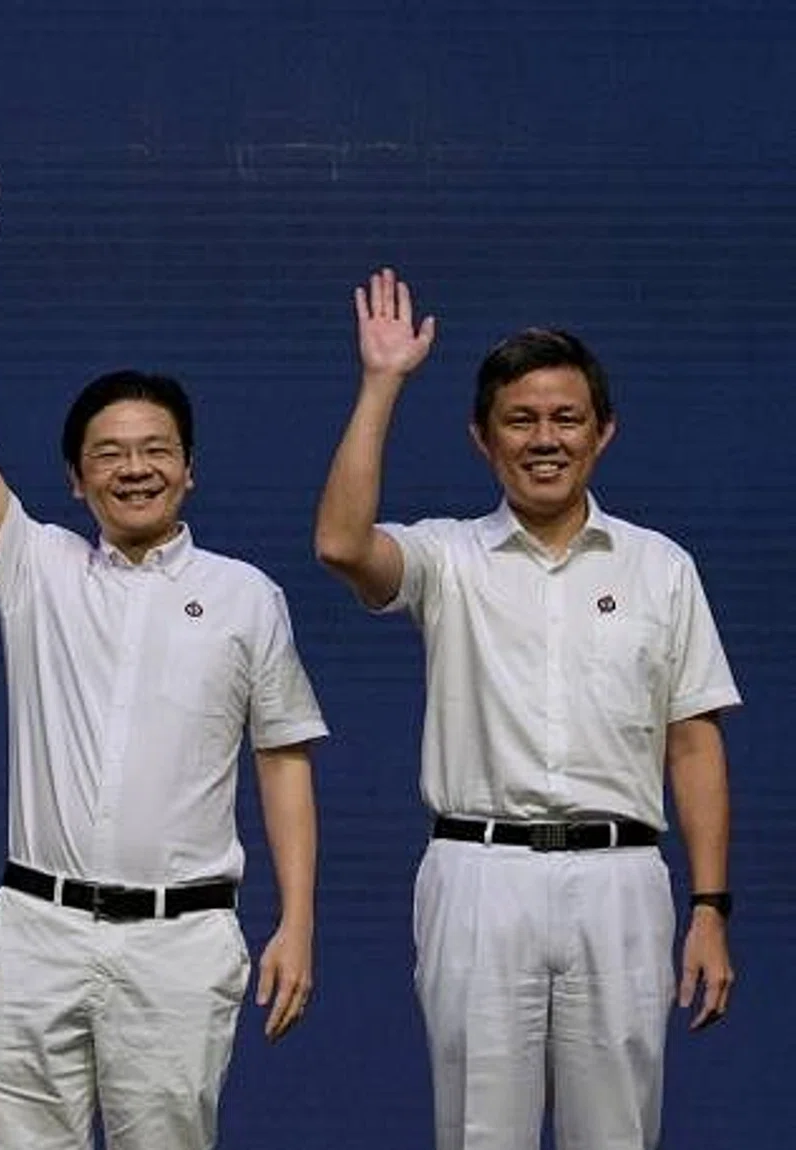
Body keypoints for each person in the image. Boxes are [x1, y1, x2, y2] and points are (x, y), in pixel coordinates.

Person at [0, 170, 325, 1150]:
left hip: (180, 944)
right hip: (36, 933)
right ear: (75, 476)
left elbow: (284, 762)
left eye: (155, 450)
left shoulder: (244, 596)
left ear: (188, 466)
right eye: (109, 453)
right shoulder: (36, 569)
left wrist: (298, 920)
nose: (133, 468)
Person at [314, 268, 738, 1150]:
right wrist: (382, 384)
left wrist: (710, 906)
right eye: (521, 419)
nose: (545, 439)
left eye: (566, 419)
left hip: (622, 883)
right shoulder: (447, 558)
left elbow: (692, 742)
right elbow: (342, 543)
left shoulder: (661, 567)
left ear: (603, 432)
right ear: (483, 438)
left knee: (617, 1134)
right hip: (479, 877)